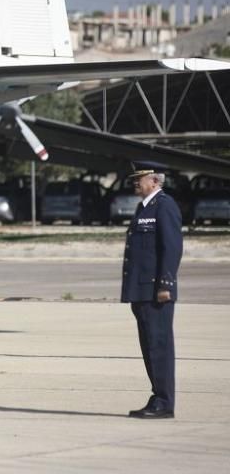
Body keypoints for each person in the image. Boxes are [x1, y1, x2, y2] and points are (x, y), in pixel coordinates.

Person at [122, 168, 182, 419]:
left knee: (159, 347)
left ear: (155, 180)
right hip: (141, 291)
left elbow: (172, 248)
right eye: (134, 179)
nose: (135, 183)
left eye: (140, 179)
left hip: (156, 291)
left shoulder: (164, 206)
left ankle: (165, 402)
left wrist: (166, 285)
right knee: (149, 347)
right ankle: (158, 396)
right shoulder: (144, 208)